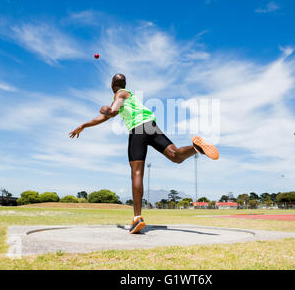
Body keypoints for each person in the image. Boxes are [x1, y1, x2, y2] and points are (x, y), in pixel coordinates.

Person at [69, 74, 219, 234]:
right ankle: (196, 148)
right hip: (151, 126)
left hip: (138, 130)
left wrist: (106, 109)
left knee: (137, 173)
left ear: (113, 83)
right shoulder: (129, 97)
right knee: (175, 156)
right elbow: (105, 117)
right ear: (124, 83)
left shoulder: (120, 94)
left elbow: (111, 112)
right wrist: (84, 125)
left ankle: (137, 218)